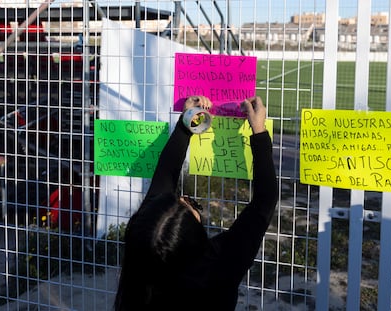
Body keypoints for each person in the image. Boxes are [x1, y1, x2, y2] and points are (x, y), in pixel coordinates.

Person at [114, 95, 278, 311]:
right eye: (189, 206)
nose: (185, 199)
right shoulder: (220, 264)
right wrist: (259, 132)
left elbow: (164, 177)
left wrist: (187, 122)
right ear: (194, 233)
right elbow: (265, 201)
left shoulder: (140, 257)